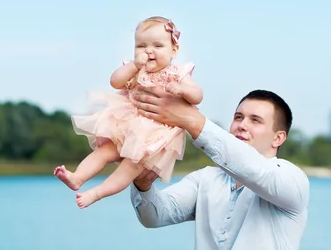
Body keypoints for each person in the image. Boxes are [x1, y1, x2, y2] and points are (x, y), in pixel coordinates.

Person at [129, 87, 310, 250]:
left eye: (255, 120)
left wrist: (191, 120)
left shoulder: (293, 179)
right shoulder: (205, 178)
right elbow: (155, 215)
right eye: (238, 117)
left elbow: (254, 170)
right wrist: (143, 185)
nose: (242, 125)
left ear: (278, 138)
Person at [54, 16, 204, 209]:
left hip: (155, 134)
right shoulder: (133, 69)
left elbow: (197, 95)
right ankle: (77, 177)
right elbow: (115, 81)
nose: (148, 51)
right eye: (141, 46)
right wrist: (133, 66)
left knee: (131, 166)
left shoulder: (177, 73)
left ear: (173, 50)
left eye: (158, 46)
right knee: (105, 151)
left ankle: (97, 193)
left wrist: (182, 89)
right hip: (127, 123)